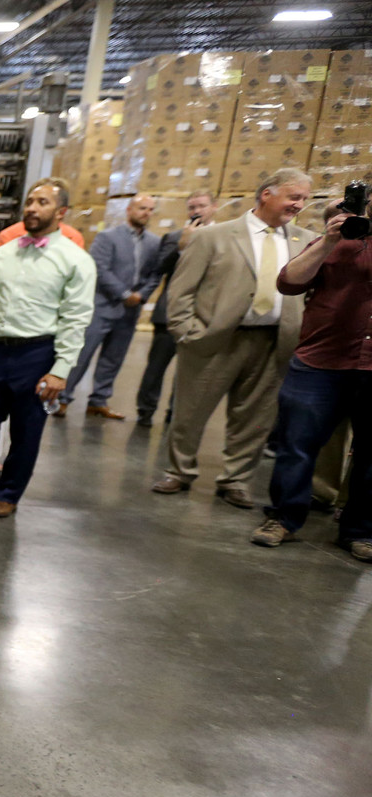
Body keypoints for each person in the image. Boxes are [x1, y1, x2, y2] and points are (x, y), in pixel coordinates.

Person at [153, 169, 317, 508]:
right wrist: (187, 332)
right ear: (266, 194)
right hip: (214, 339)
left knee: (255, 420)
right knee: (190, 411)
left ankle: (236, 480)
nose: (299, 204)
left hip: (274, 343)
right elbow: (181, 292)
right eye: (293, 196)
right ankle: (179, 471)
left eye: (303, 198)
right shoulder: (214, 237)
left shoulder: (307, 241)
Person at [0, 178, 96, 518]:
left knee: (26, 428)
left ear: (61, 212)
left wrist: (61, 370)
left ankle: (8, 492)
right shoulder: (3, 254)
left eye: (43, 203)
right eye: (30, 201)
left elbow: (76, 320)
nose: (32, 208)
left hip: (38, 353)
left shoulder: (75, 261)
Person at [250, 195, 371, 562]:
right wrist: (330, 241)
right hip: (321, 362)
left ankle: (360, 530)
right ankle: (284, 518)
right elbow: (289, 282)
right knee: (297, 445)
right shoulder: (341, 238)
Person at [54, 193, 160, 419]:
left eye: (150, 210)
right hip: (102, 307)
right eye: (142, 208)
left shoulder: (154, 243)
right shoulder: (108, 237)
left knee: (114, 357)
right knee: (82, 354)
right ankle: (63, 398)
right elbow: (99, 269)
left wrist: (141, 295)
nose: (146, 213)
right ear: (129, 209)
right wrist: (123, 294)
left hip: (130, 311)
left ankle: (99, 400)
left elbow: (155, 274)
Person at [134, 190, 217, 427]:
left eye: (201, 205)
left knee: (190, 372)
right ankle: (145, 412)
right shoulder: (173, 237)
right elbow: (159, 268)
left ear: (214, 206)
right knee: (156, 367)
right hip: (169, 314)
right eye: (191, 207)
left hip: (204, 315)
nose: (196, 211)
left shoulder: (224, 237)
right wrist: (181, 247)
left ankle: (175, 414)